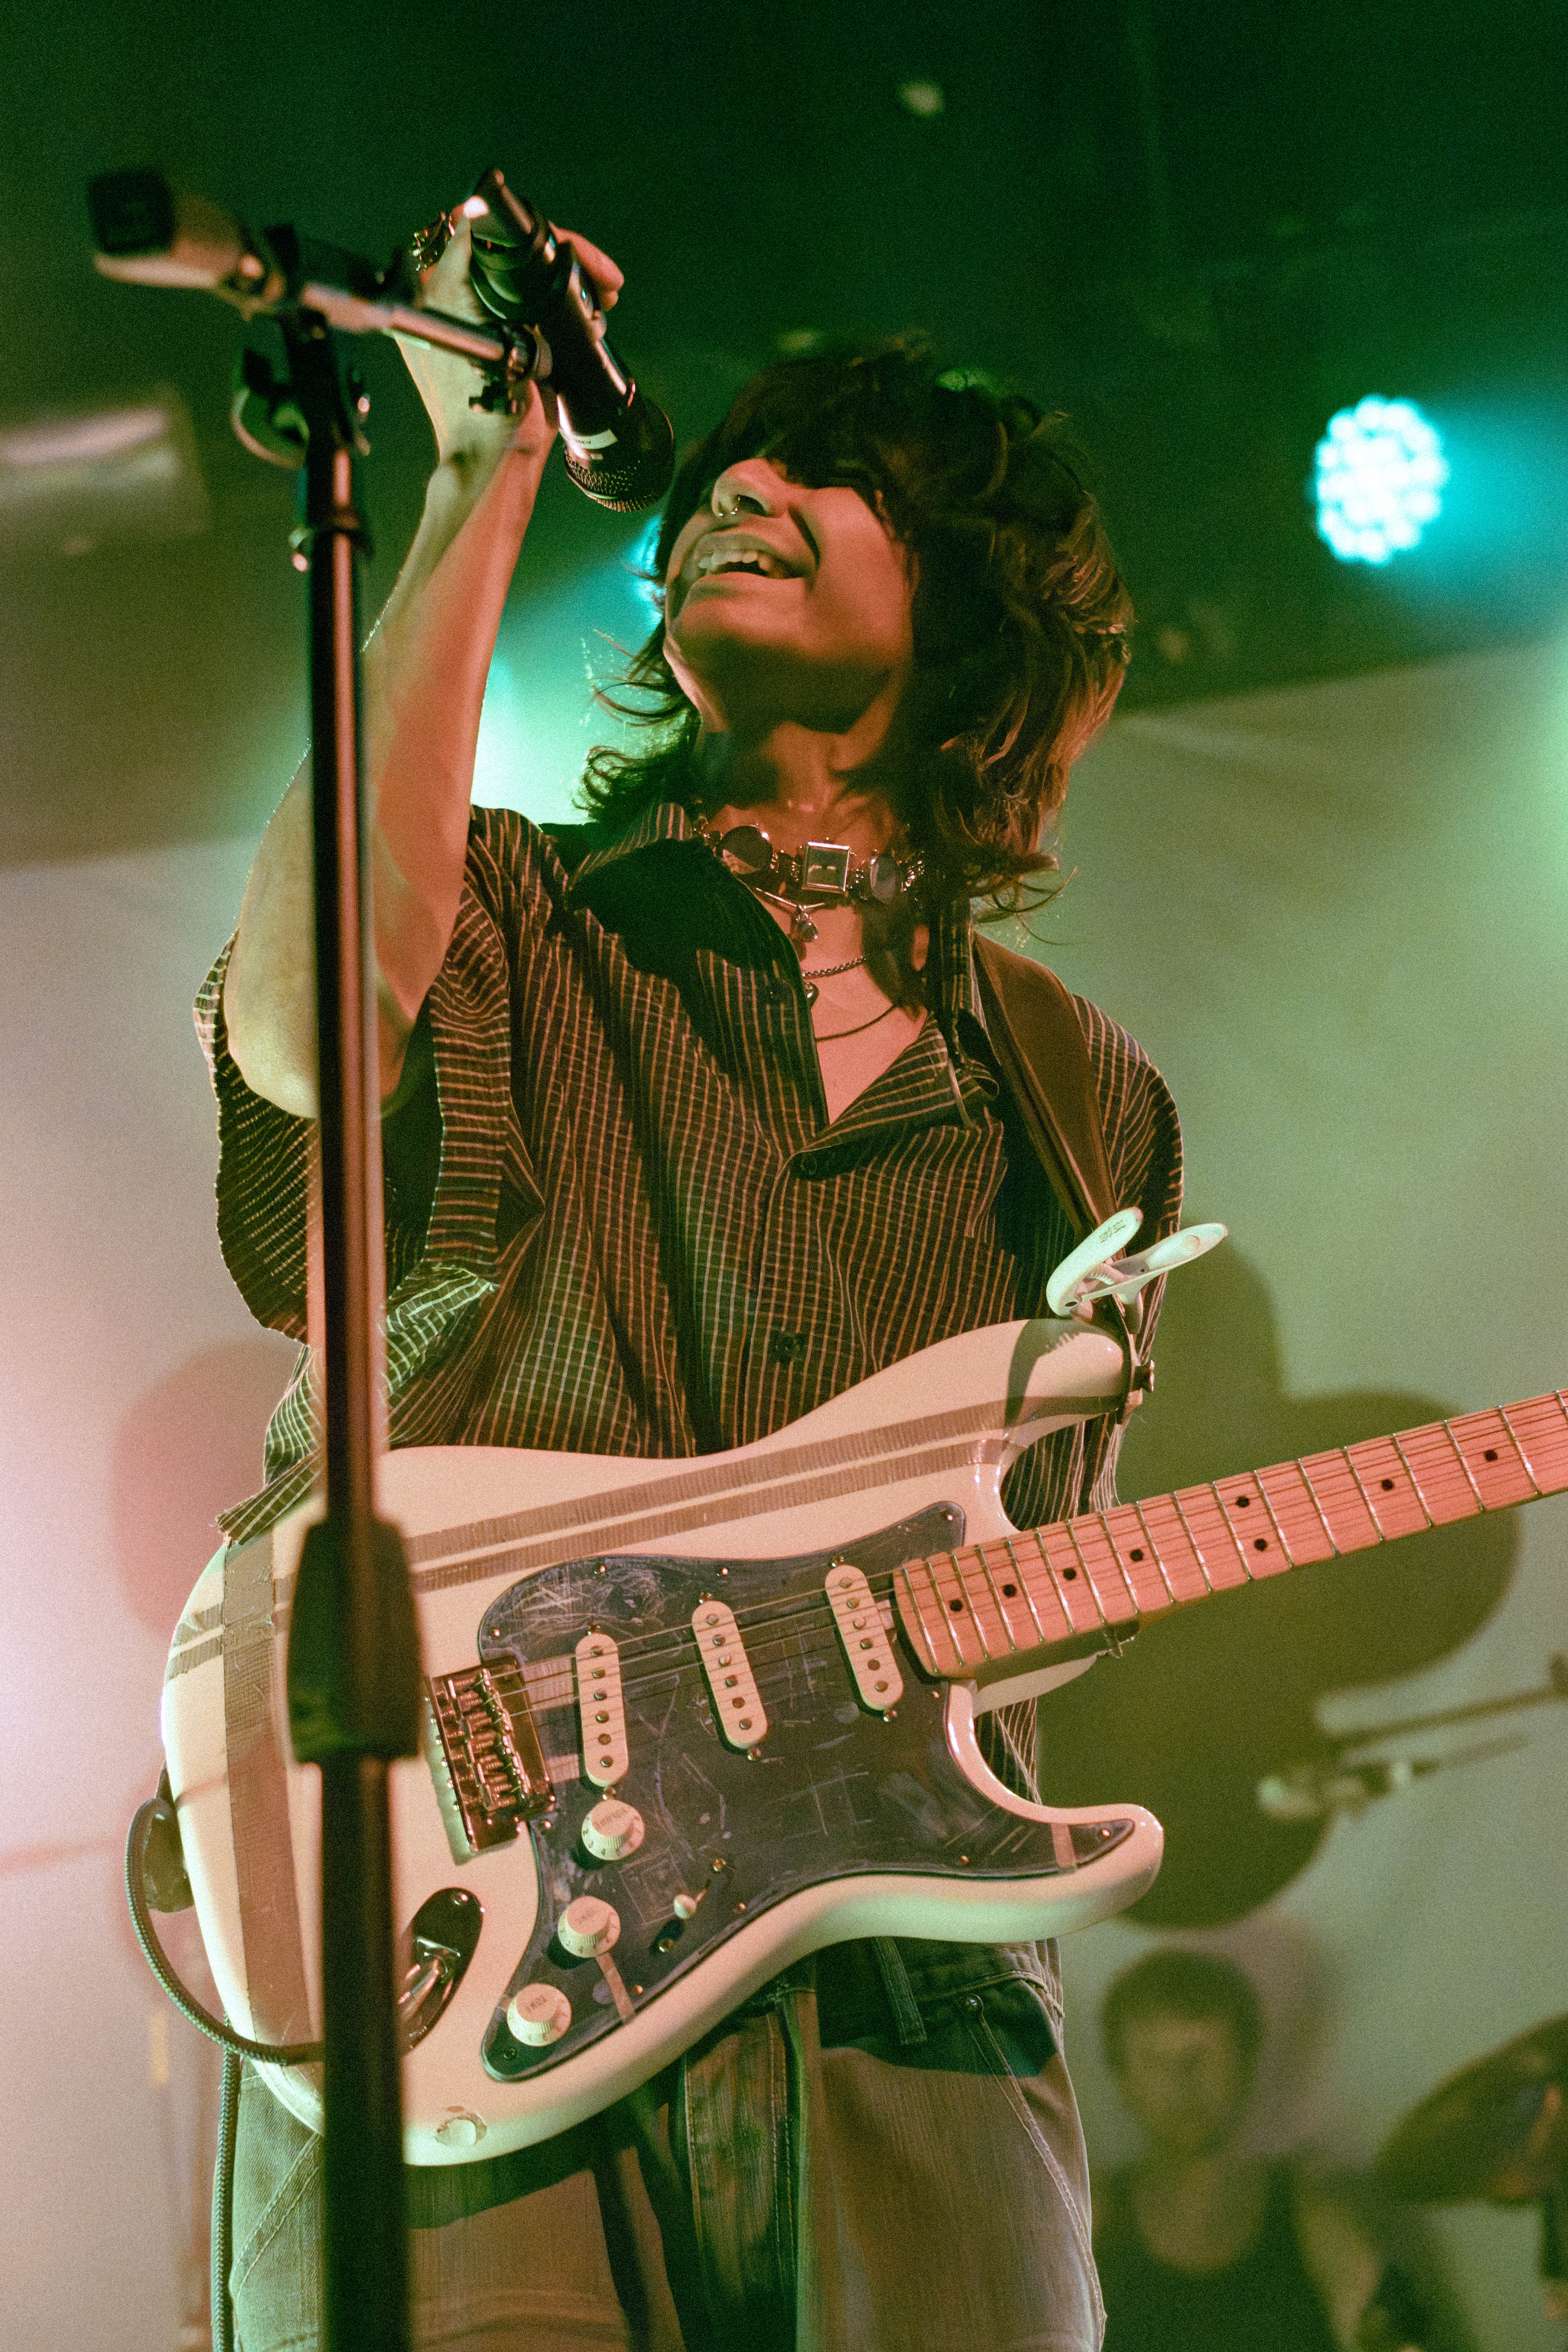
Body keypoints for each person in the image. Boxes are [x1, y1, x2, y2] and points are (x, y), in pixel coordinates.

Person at [201, 203, 1183, 2351]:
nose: (750, 487)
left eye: (838, 480)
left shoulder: (1080, 1095)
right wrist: (478, 471)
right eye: (735, 466)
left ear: (974, 613)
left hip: (898, 1984)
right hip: (467, 1957)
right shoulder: (526, 919)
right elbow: (303, 1028)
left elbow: (1037, 1597)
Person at [1094, 1949, 1430, 2352]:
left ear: (1245, 2063)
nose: (1181, 2085)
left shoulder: (1316, 2223)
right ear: (1123, 2080)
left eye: (1199, 2058)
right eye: (1154, 2062)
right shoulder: (1089, 2228)